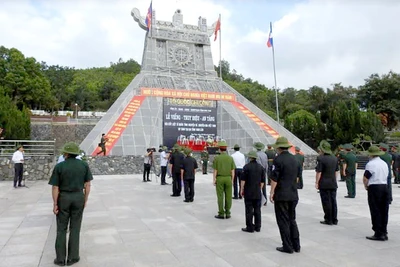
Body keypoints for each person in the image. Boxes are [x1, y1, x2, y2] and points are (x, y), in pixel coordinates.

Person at [48, 142, 93, 266]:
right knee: (75, 228)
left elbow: (55, 187)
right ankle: (73, 257)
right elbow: (87, 185)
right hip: (78, 196)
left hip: (64, 198)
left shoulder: (60, 166)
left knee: (61, 229)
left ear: (66, 153)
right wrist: (85, 199)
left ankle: (60, 259)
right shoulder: (84, 165)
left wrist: (54, 203)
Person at [269, 137, 301, 254]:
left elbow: (274, 178)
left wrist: (272, 192)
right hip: (293, 194)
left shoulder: (278, 160)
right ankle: (296, 245)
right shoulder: (295, 159)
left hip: (282, 194)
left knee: (283, 221)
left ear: (278, 147)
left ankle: (287, 246)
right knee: (292, 219)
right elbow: (297, 178)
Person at [363, 145, 389, 241]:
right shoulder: (384, 163)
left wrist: (366, 186)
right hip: (384, 187)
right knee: (384, 210)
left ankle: (378, 232)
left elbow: (366, 177)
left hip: (375, 187)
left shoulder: (371, 164)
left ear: (371, 154)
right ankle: (384, 231)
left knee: (375, 210)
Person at [240, 151, 265, 233]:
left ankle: (249, 227)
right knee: (257, 210)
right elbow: (262, 181)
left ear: (250, 158)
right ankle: (258, 227)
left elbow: (243, 180)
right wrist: (259, 188)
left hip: (248, 191)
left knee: (249, 210)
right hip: (257, 191)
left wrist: (241, 189)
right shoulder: (261, 167)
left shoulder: (246, 167)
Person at [315, 140, 339, 226]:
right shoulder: (335, 158)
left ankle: (328, 219)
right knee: (333, 201)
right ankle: (334, 219)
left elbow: (319, 172)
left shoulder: (321, 159)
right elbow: (336, 171)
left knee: (326, 201)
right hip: (333, 182)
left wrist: (317, 182)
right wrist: (334, 179)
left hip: (324, 183)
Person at [213, 141, 236, 219]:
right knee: (228, 196)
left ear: (219, 149)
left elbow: (215, 170)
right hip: (228, 178)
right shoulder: (230, 158)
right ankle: (228, 212)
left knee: (220, 196)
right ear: (226, 149)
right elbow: (232, 170)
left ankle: (221, 213)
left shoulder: (217, 158)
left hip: (220, 178)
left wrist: (214, 179)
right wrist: (232, 180)